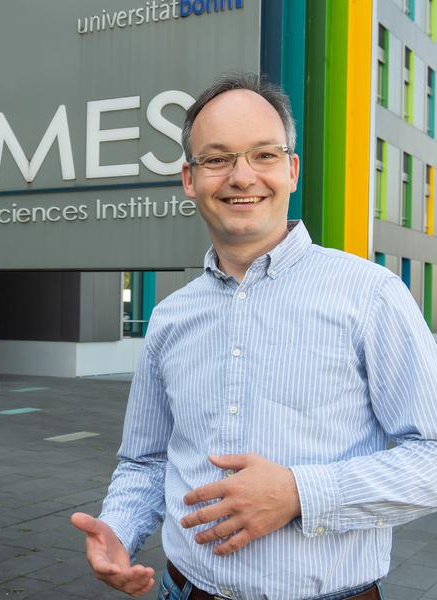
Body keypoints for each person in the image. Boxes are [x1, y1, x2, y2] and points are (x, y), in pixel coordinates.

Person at [71, 73, 437, 600]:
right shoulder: (171, 317)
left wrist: (298, 493)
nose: (242, 177)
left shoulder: (371, 295)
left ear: (290, 169)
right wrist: (120, 530)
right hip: (184, 591)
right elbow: (146, 460)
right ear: (189, 179)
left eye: (263, 155)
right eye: (217, 159)